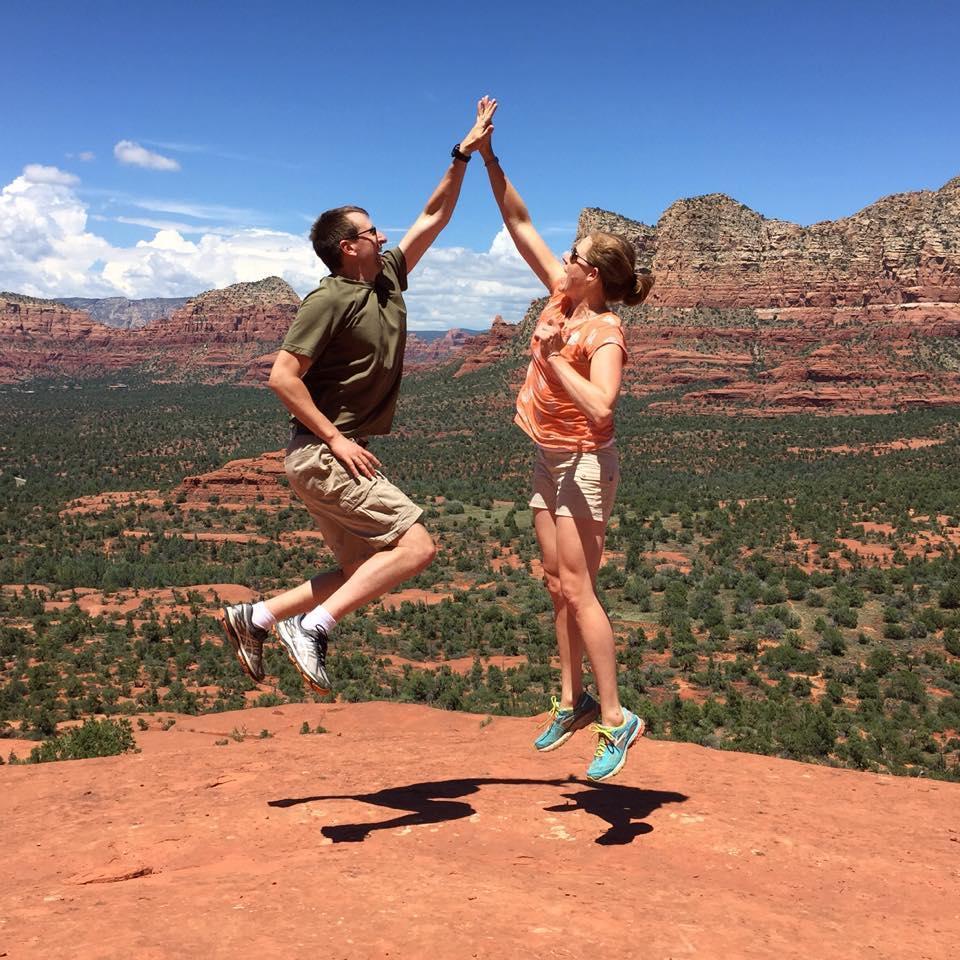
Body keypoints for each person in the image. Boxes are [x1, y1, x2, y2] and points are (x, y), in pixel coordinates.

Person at [221, 98, 497, 695]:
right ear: (349, 246)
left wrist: (462, 155)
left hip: (322, 457)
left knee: (358, 570)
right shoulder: (327, 300)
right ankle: (312, 628)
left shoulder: (388, 276)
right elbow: (282, 376)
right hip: (324, 453)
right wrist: (337, 438)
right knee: (417, 545)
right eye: (372, 230)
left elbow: (433, 215)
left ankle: (258, 617)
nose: (384, 235)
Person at [477, 122, 654, 782]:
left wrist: (554, 358)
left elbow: (604, 407)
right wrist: (489, 155)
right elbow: (518, 219)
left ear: (595, 274)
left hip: (583, 463)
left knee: (582, 591)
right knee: (556, 585)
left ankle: (615, 717)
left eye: (576, 256)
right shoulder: (563, 294)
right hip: (547, 457)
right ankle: (572, 699)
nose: (566, 260)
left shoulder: (603, 329)